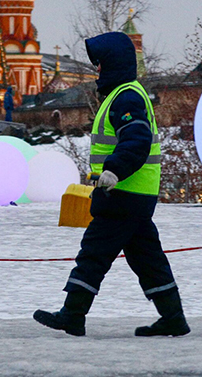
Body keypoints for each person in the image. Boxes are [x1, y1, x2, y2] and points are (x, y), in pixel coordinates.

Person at [33, 31, 189, 338]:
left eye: (101, 64)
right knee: (147, 258)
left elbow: (137, 138)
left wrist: (114, 171)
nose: (98, 71)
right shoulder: (125, 94)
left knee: (94, 253)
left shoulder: (125, 98)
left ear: (113, 63)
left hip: (122, 193)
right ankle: (173, 317)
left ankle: (73, 314)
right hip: (135, 195)